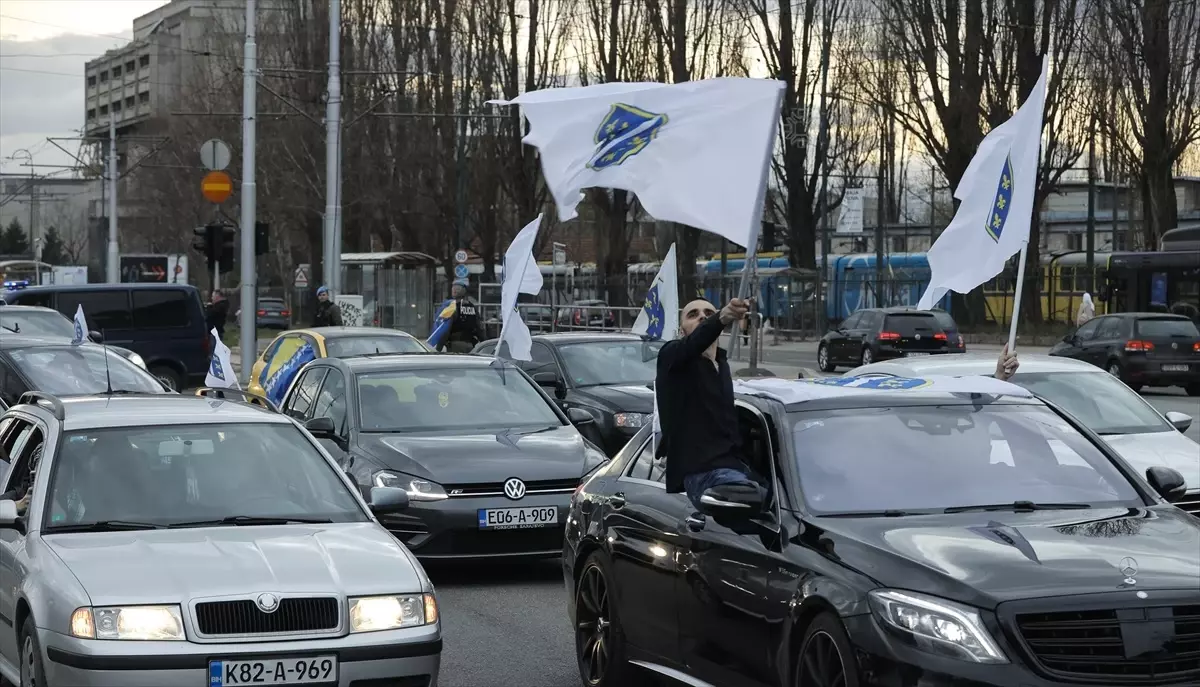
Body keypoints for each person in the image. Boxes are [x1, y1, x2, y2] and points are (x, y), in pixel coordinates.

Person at [656, 297, 762, 510]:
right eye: (693, 314)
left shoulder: (722, 365)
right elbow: (694, 343)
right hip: (704, 475)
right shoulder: (672, 355)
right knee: (755, 502)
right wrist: (721, 316)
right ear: (681, 330)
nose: (702, 316)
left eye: (708, 313)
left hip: (736, 468)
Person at [442, 281, 482, 353]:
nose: (454, 290)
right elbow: (479, 327)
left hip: (455, 345)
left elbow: (445, 328)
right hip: (470, 344)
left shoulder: (452, 307)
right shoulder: (472, 307)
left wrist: (439, 346)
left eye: (456, 289)